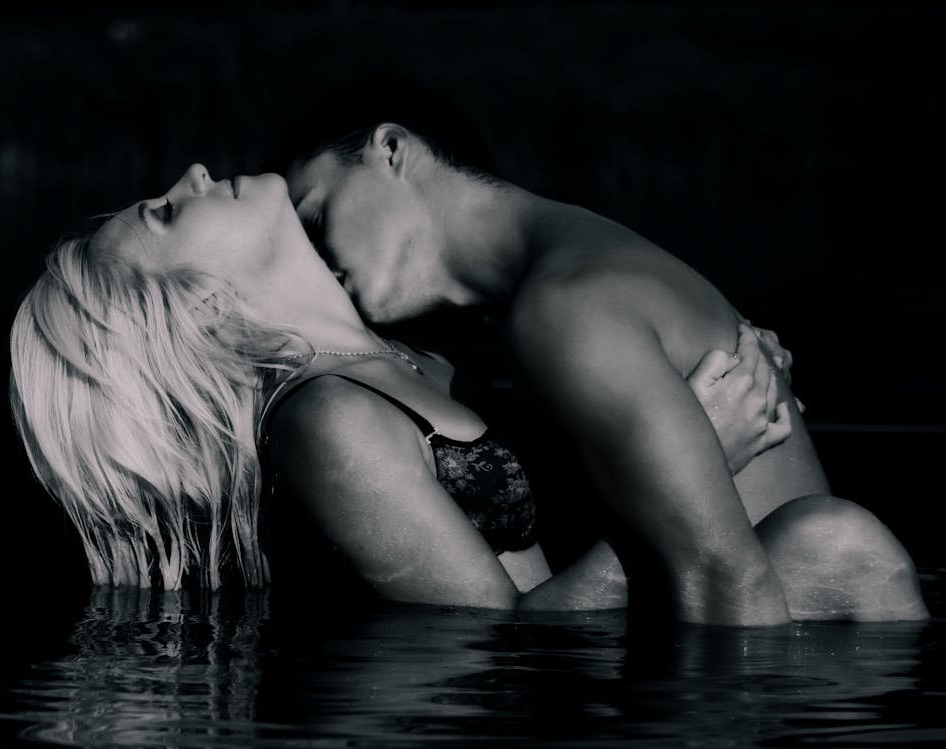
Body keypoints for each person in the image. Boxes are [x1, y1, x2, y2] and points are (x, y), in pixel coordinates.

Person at [9, 163, 921, 622]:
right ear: (194, 304)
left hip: (660, 641)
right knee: (836, 539)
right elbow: (494, 653)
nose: (194, 175)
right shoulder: (325, 422)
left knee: (832, 537)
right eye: (168, 212)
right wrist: (705, 464)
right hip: (596, 696)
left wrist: (697, 398)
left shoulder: (424, 359)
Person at [279, 85, 929, 625]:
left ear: (392, 150)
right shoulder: (573, 271)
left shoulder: (566, 304)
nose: (315, 261)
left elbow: (726, 586)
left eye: (316, 216)